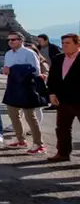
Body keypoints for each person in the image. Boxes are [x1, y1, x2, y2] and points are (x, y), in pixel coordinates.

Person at [3, 31, 46, 153]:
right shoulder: (8, 54)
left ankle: (39, 144)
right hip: (12, 85)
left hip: (27, 86)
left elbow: (35, 71)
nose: (10, 42)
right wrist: (7, 71)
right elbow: (7, 69)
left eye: (13, 39)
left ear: (21, 40)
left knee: (30, 116)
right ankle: (20, 140)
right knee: (13, 114)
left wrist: (14, 69)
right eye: (9, 40)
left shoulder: (29, 53)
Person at [46, 33, 80, 162]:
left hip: (78, 100)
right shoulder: (58, 58)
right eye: (63, 43)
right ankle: (63, 153)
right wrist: (52, 93)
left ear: (77, 44)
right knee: (62, 128)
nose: (64, 46)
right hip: (63, 100)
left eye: (68, 43)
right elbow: (52, 78)